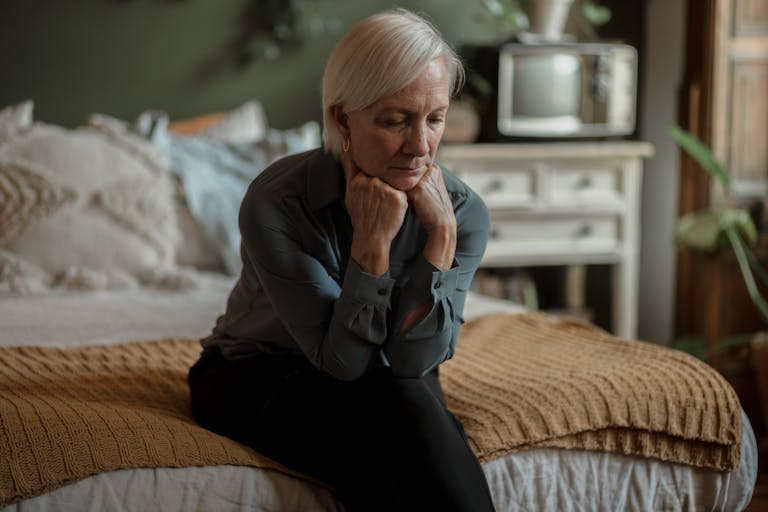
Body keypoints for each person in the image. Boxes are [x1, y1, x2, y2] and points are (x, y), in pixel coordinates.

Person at [188, 8, 494, 511]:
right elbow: (345, 363)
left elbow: (416, 360)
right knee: (400, 425)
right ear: (342, 118)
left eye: (435, 119)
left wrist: (440, 237)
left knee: (403, 411)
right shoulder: (277, 203)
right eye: (395, 121)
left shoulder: (461, 213)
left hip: (391, 378)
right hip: (257, 372)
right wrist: (372, 246)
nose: (420, 146)